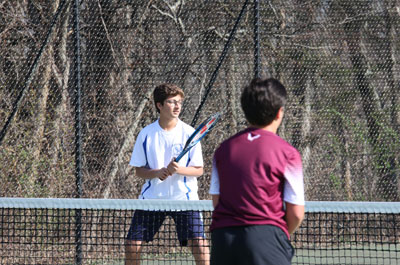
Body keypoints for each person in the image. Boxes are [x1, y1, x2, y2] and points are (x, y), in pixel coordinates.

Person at [209, 78, 305, 265]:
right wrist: (276, 232)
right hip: (265, 240)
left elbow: (217, 200)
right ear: (279, 113)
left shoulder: (222, 150)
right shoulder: (288, 153)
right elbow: (296, 213)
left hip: (223, 242)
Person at [125, 83, 210, 265]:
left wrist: (178, 169)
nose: (177, 106)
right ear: (159, 105)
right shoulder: (146, 134)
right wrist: (157, 173)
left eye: (179, 102)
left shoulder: (190, 133)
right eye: (172, 102)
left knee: (200, 246)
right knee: (132, 245)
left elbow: (199, 169)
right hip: (152, 199)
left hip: (185, 200)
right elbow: (139, 171)